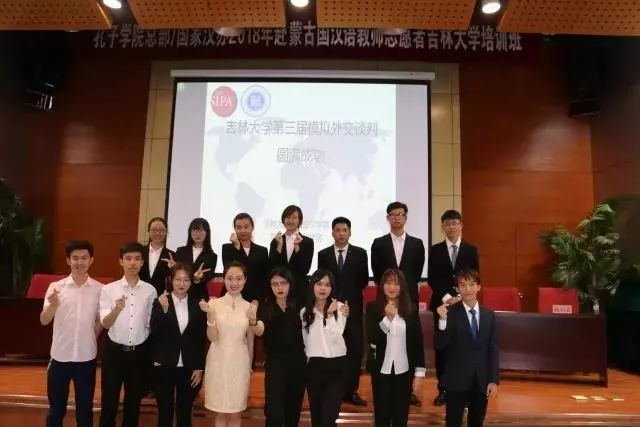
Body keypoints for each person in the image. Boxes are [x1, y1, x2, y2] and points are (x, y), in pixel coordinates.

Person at [40, 240, 103, 427]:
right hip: (59, 357)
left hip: (86, 358)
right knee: (56, 410)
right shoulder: (55, 287)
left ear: (91, 260)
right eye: (75, 258)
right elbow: (44, 320)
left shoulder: (100, 289)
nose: (79, 262)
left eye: (84, 258)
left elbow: (100, 321)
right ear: (68, 260)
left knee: (85, 411)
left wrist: (91, 336)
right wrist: (53, 305)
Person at [370, 201, 425, 406]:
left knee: (408, 342)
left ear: (406, 217)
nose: (396, 217)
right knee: (385, 341)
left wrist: (404, 293)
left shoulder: (417, 244)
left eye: (400, 214)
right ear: (387, 218)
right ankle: (386, 387)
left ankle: (407, 390)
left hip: (408, 301)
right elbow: (378, 274)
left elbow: (416, 273)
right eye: (392, 214)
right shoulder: (379, 243)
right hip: (385, 300)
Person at [99, 241, 157, 427]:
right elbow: (105, 323)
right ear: (120, 261)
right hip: (114, 353)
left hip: (139, 354)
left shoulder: (150, 290)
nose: (133, 263)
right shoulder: (109, 289)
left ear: (142, 263)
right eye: (128, 258)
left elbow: (152, 324)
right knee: (109, 402)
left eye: (137, 259)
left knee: (133, 404)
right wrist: (116, 310)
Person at [201, 261, 263, 427]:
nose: (234, 283)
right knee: (220, 411)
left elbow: (251, 340)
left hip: (240, 363)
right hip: (217, 361)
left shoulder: (249, 307)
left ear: (245, 280)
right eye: (229, 278)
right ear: (224, 279)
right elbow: (212, 337)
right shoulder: (213, 304)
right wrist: (210, 318)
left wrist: (249, 366)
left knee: (236, 412)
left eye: (239, 278)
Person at [427, 210, 479, 406]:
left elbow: (475, 277)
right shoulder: (435, 250)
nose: (451, 227)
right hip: (442, 306)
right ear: (443, 227)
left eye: (455, 223)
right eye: (447, 223)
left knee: (463, 347)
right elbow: (432, 278)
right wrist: (448, 298)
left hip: (465, 304)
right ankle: (443, 390)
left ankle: (463, 389)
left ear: (461, 225)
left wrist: (461, 297)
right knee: (443, 348)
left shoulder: (471, 250)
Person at [436, 269, 498, 427]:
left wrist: (493, 380)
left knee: (477, 422)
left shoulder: (489, 315)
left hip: (481, 380)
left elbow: (493, 349)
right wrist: (442, 321)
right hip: (456, 379)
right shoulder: (449, 314)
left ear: (479, 287)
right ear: (457, 289)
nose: (468, 289)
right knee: (453, 422)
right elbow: (441, 345)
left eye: (472, 284)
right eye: (463, 285)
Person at [317, 216, 369, 406]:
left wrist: (348, 299)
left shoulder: (360, 253)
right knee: (331, 349)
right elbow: (321, 281)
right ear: (332, 232)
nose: (341, 233)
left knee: (354, 350)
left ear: (349, 232)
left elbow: (363, 280)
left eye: (344, 230)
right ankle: (332, 389)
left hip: (353, 310)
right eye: (337, 230)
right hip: (330, 309)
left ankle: (351, 391)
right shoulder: (323, 254)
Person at [367, 268, 426, 427]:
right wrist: (388, 319)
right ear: (382, 286)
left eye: (396, 283)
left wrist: (420, 374)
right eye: (388, 283)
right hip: (381, 370)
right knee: (382, 416)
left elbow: (417, 343)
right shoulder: (373, 308)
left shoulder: (411, 310)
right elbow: (372, 337)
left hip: (404, 370)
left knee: (401, 416)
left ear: (402, 287)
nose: (392, 287)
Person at [150, 263, 206, 427]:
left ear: (191, 282)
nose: (182, 284)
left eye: (186, 280)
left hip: (188, 366)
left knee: (185, 412)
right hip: (164, 364)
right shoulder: (160, 301)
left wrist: (199, 367)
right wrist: (164, 310)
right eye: (178, 279)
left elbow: (200, 338)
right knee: (164, 411)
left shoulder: (197, 304)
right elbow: (154, 331)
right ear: (171, 280)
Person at [254, 267, 306, 427]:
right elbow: (259, 330)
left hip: (298, 364)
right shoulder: (265, 307)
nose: (279, 287)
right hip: (275, 364)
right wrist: (252, 321)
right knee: (274, 412)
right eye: (275, 284)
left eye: (283, 283)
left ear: (290, 284)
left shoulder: (300, 306)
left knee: (293, 411)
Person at [301, 269, 350, 427]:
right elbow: (305, 342)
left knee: (329, 416)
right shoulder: (304, 312)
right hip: (315, 366)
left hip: (337, 365)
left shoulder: (340, 307)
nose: (323, 288)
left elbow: (337, 335)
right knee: (317, 417)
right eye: (319, 284)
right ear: (312, 285)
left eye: (327, 285)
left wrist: (329, 315)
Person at [268, 205, 314, 301]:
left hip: (300, 290)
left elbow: (305, 269)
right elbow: (272, 268)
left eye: (294, 217)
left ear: (300, 221)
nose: (290, 221)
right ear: (283, 220)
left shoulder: (307, 242)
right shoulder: (276, 241)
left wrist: (297, 248)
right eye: (288, 217)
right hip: (280, 290)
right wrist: (279, 247)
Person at [221, 212, 269, 302]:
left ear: (252, 227)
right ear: (235, 229)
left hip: (254, 299)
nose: (243, 231)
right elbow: (234, 270)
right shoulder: (227, 248)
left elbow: (264, 279)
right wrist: (238, 248)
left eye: (246, 227)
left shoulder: (262, 251)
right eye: (239, 227)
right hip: (231, 297)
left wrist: (258, 299)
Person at [175, 217, 217, 301]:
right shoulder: (180, 251)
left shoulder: (212, 256)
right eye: (194, 230)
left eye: (201, 231)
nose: (197, 234)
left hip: (199, 297)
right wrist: (172, 268)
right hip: (179, 295)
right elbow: (175, 274)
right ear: (190, 232)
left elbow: (208, 276)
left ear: (207, 233)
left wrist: (197, 279)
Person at [140, 217, 176, 296]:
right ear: (148, 231)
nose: (157, 233)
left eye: (161, 230)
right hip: (140, 294)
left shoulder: (172, 256)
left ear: (166, 232)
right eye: (154, 230)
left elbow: (175, 281)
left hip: (162, 297)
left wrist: (173, 269)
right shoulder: (140, 252)